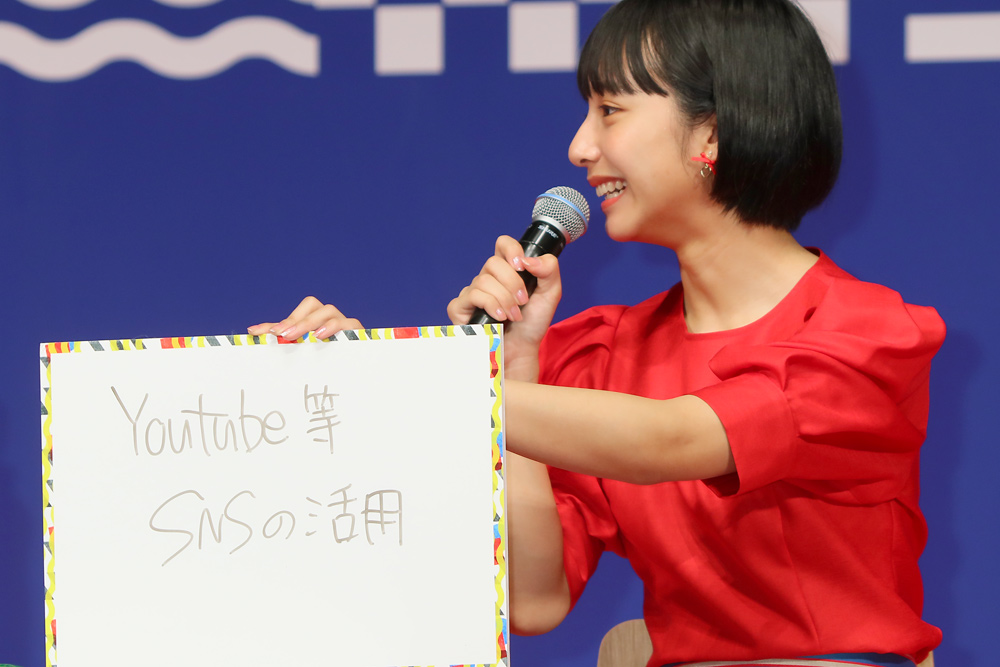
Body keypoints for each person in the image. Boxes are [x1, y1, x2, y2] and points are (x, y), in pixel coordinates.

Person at [250, 1, 945, 665]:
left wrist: (395, 379)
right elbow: (534, 599)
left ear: (713, 131)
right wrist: (512, 367)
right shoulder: (605, 354)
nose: (580, 147)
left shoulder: (867, 335)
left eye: (610, 111)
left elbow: (671, 439)